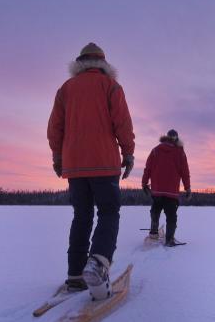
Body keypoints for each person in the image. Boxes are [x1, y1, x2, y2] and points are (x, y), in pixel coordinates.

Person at [47, 42, 135, 300]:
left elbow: (55, 128)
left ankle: (75, 275)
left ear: (80, 63)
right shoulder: (111, 87)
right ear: (103, 64)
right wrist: (128, 153)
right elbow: (123, 123)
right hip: (104, 163)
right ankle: (97, 264)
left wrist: (58, 157)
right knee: (109, 212)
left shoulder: (66, 89)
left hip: (75, 166)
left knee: (81, 216)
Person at [141, 129, 191, 246]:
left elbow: (147, 168)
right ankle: (169, 239)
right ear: (176, 139)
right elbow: (185, 172)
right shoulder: (180, 153)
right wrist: (188, 188)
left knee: (155, 211)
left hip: (157, 190)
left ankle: (153, 232)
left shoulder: (155, 150)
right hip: (171, 192)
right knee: (171, 216)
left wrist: (144, 183)